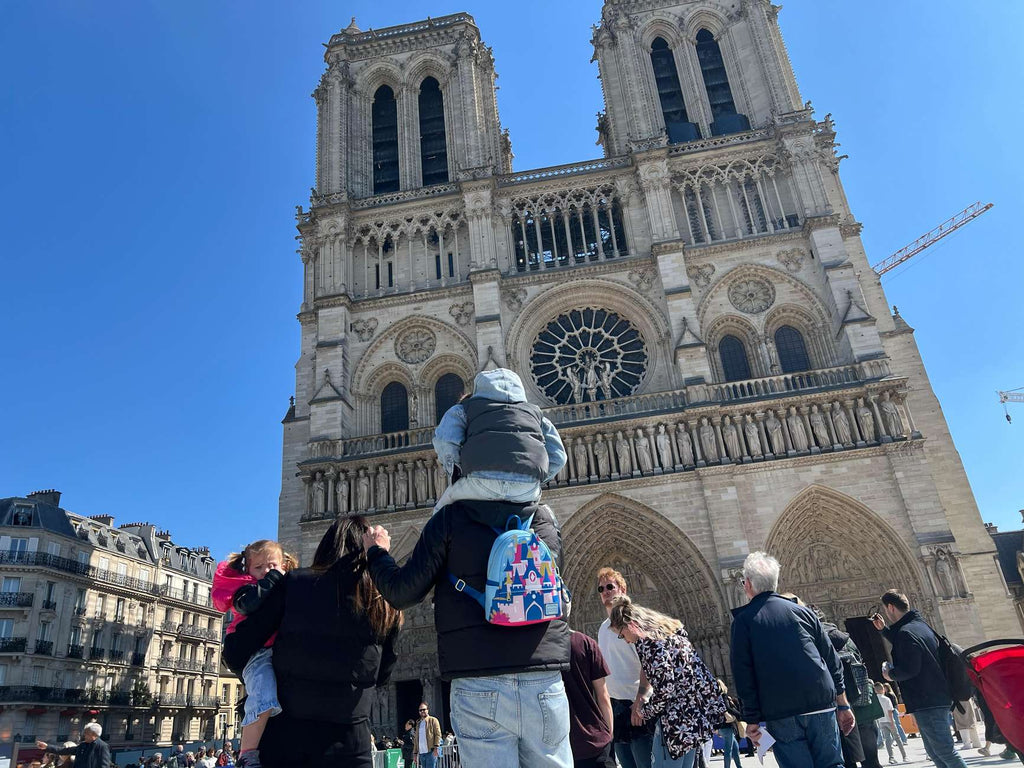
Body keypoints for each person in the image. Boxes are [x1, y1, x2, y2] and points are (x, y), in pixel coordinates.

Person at [363, 497, 572, 767]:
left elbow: (402, 592)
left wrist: (377, 553)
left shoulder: (450, 518)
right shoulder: (543, 516)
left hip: (479, 679)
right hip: (542, 680)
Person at [222, 517, 403, 768]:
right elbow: (383, 674)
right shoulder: (383, 601)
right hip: (351, 745)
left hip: (287, 741)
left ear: (325, 547)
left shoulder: (294, 583)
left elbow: (236, 650)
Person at [729, 552, 853, 768]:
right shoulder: (803, 612)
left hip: (781, 709)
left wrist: (752, 719)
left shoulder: (743, 622)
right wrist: (843, 704)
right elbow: (831, 659)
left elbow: (743, 675)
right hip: (820, 702)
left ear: (747, 584)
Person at [607, 596, 724, 768]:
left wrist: (644, 712)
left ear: (630, 624)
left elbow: (665, 689)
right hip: (693, 718)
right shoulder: (671, 634)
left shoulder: (648, 643)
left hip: (675, 725)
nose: (625, 640)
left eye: (622, 635)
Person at [212, 539, 298, 768]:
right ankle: (247, 754)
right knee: (263, 695)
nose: (266, 571)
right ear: (247, 570)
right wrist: (272, 579)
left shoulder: (285, 584)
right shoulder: (248, 587)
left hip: (272, 651)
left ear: (283, 564)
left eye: (271, 565)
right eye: (259, 568)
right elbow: (247, 605)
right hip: (255, 654)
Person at [431, 368, 566, 511]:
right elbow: (559, 456)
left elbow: (445, 442)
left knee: (440, 512)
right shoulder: (534, 413)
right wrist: (536, 477)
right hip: (527, 488)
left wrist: (458, 471)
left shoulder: (464, 408)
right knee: (540, 513)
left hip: (481, 482)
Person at [871, 590, 967, 768]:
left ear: (890, 607)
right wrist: (884, 630)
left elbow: (910, 668)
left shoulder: (906, 634)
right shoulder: (921, 626)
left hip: (927, 700)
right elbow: (908, 641)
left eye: (885, 609)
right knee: (935, 753)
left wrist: (890, 674)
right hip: (935, 697)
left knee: (945, 751)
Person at [596, 567, 654, 768]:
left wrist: (640, 701)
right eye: (601, 588)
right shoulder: (603, 629)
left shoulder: (635, 622)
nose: (605, 591)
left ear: (623, 588)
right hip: (616, 708)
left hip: (636, 706)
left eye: (610, 586)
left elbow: (649, 662)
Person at [562, 595, 615, 768]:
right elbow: (603, 696)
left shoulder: (541, 648)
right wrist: (609, 735)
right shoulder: (586, 643)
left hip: (561, 744)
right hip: (595, 740)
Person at [36, 723, 111, 768]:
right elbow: (64, 750)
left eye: (86, 733)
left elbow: (104, 766)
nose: (84, 735)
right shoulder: (83, 745)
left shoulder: (102, 746)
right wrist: (47, 747)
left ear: (94, 735)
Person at [872, 683, 906, 764]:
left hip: (881, 721)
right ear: (882, 689)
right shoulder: (886, 699)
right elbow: (890, 711)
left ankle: (891, 757)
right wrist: (892, 722)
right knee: (897, 738)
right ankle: (904, 756)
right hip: (889, 720)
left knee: (887, 739)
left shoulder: (875, 700)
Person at [716, 681, 743, 768]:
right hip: (727, 726)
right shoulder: (723, 696)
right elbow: (727, 708)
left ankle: (739, 766)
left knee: (735, 748)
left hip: (721, 726)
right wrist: (739, 714)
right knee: (728, 749)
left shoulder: (715, 697)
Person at [412, 702, 442, 767]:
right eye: (420, 710)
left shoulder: (433, 720)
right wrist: (415, 753)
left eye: (424, 709)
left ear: (427, 710)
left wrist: (436, 748)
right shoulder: (418, 723)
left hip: (431, 752)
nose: (422, 711)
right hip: (422, 753)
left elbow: (438, 734)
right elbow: (416, 739)